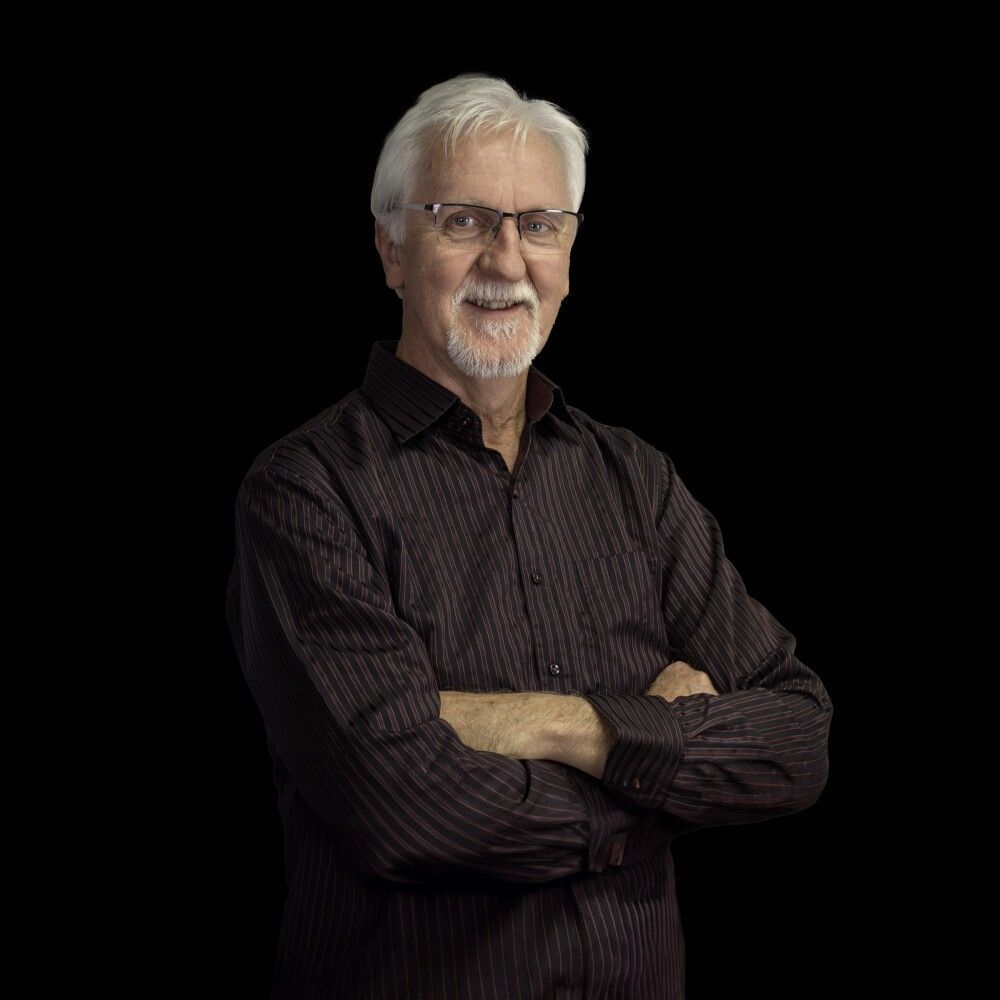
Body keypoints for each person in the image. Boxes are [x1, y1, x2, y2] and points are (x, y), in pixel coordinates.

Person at [225, 72, 833, 1000]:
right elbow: (401, 809)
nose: (507, 262)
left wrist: (562, 726)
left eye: (538, 225)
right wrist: (659, 769)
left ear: (568, 256)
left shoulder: (635, 480)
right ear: (392, 248)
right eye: (463, 220)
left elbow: (798, 741)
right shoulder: (306, 493)